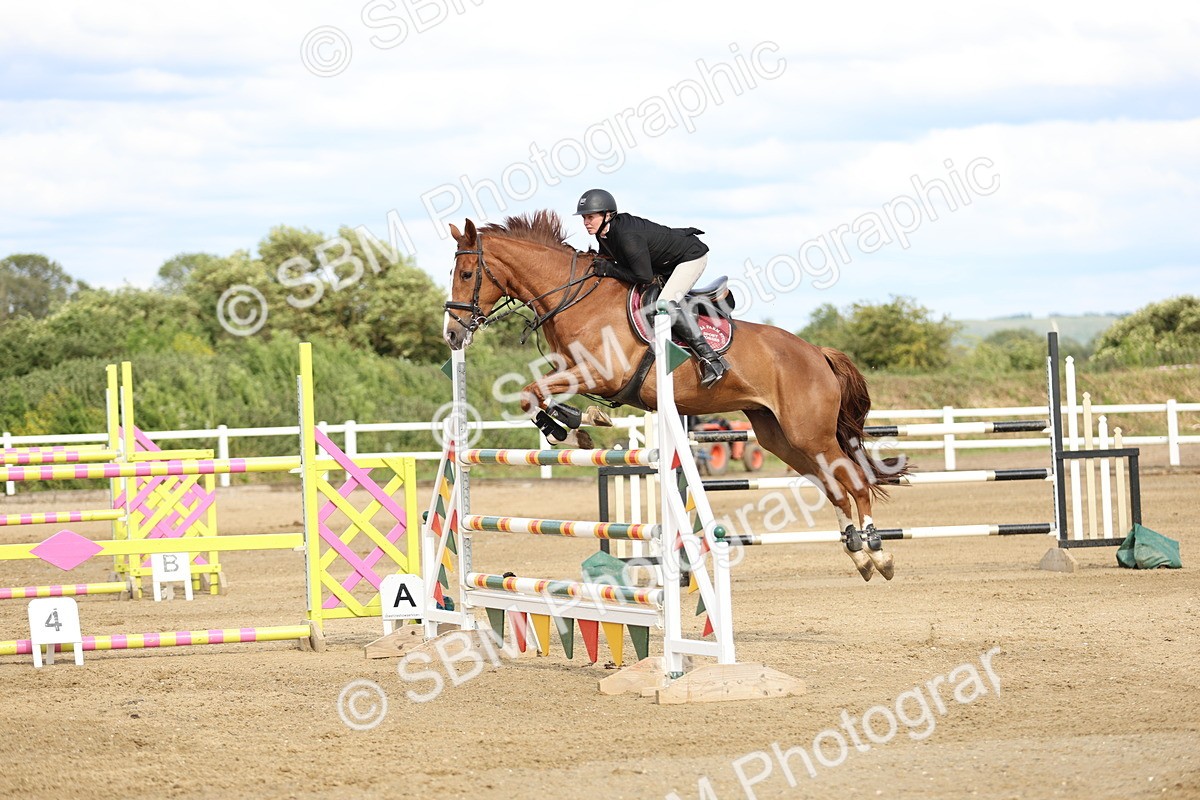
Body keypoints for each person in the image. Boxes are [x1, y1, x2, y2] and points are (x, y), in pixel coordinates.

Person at [574, 188, 728, 387]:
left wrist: (609, 270)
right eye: (584, 218)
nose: (586, 222)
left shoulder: (626, 236)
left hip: (689, 258)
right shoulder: (603, 235)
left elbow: (643, 277)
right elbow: (608, 261)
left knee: (665, 303)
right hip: (663, 264)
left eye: (590, 217)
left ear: (608, 215)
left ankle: (712, 360)